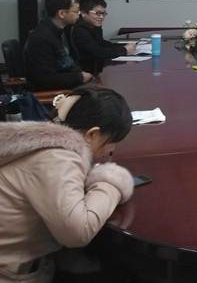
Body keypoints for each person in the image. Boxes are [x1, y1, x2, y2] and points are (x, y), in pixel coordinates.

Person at [0, 86, 134, 282]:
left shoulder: (45, 142)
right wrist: (111, 181)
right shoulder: (58, 158)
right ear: (93, 134)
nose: (111, 151)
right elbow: (77, 233)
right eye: (112, 142)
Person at [24, 0, 92, 90]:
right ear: (62, 14)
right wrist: (79, 77)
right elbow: (45, 80)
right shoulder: (42, 38)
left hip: (65, 84)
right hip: (52, 93)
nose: (79, 14)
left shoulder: (57, 31)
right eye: (76, 11)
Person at [68, 0, 135, 75]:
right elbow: (98, 52)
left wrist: (124, 46)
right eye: (98, 13)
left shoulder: (94, 25)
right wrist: (124, 50)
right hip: (86, 73)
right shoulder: (79, 30)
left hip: (97, 67)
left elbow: (101, 43)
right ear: (83, 13)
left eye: (103, 13)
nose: (101, 17)